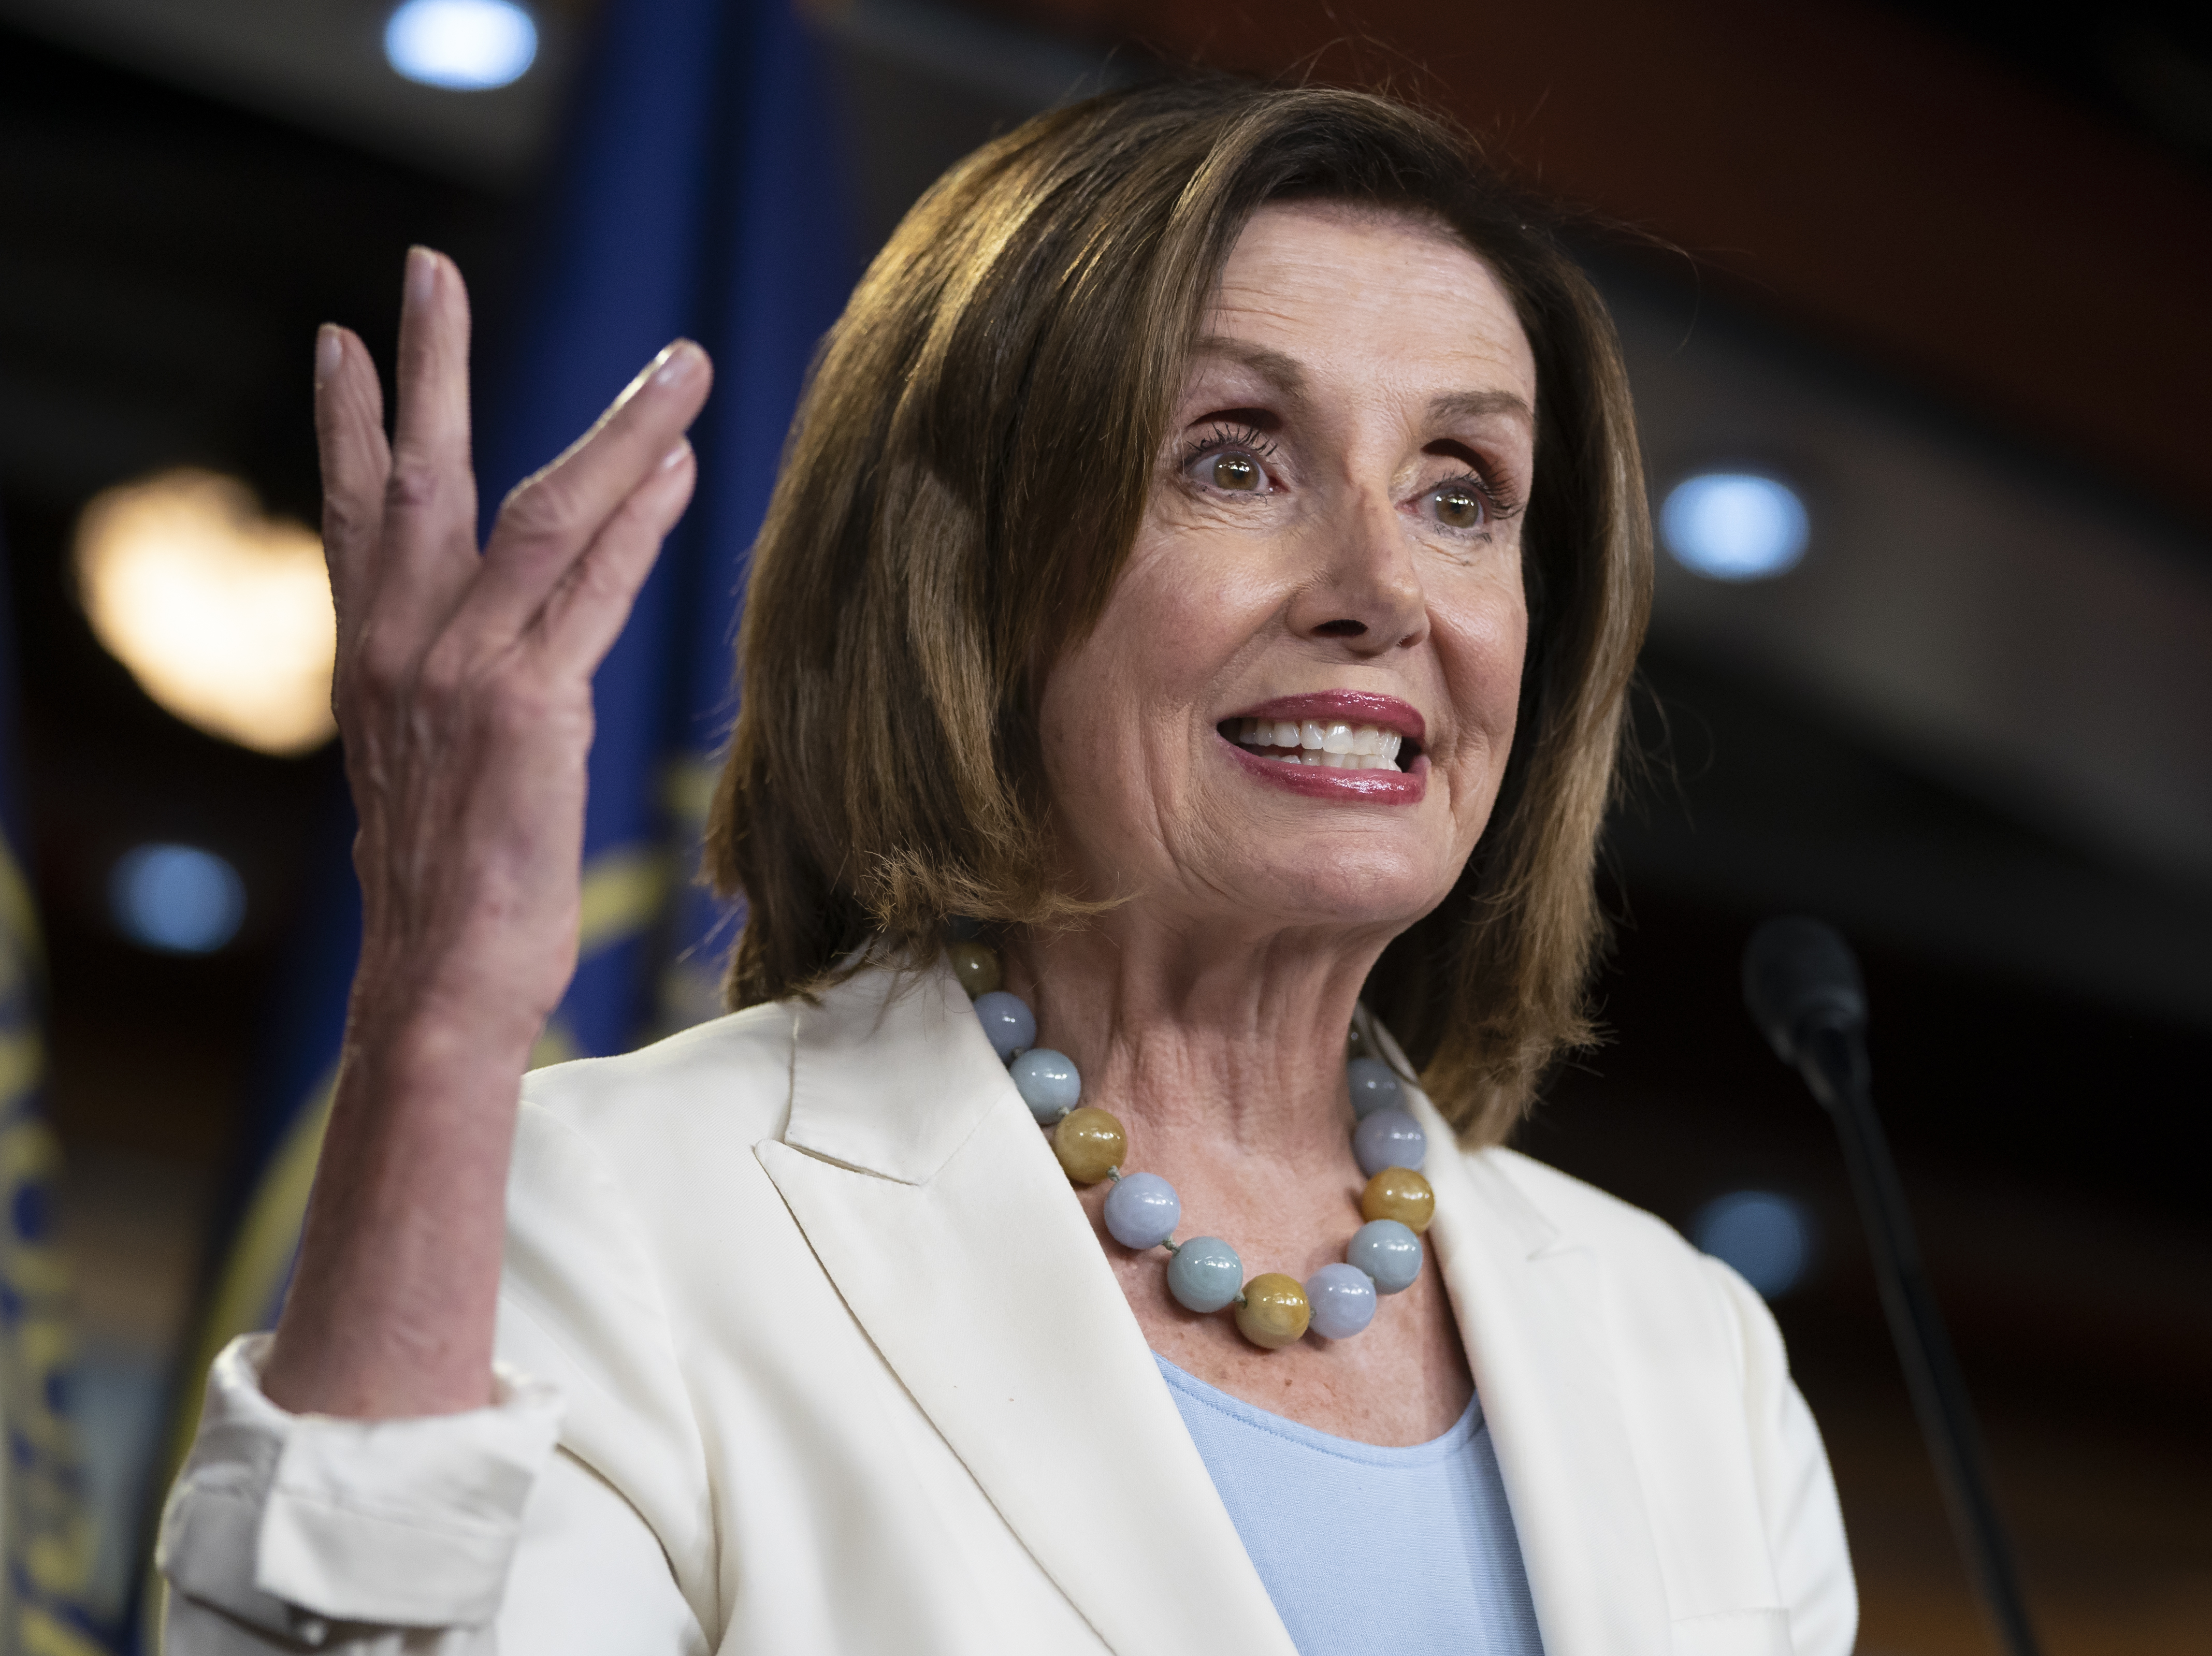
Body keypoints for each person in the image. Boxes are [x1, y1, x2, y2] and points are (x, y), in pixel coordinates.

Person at [157, 78, 1854, 1655]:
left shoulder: (1687, 1357)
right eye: (1234, 459)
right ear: (962, 575)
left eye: (1463, 493)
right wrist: (442, 1015)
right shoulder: (628, 1220)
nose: (1382, 586)